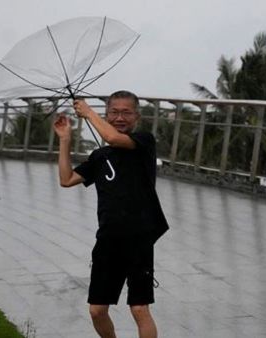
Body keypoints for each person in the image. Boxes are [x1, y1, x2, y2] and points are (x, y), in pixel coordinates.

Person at [53, 90, 168, 338]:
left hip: (139, 238)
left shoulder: (143, 142)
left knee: (139, 308)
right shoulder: (100, 157)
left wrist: (87, 112)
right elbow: (66, 179)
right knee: (97, 310)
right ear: (107, 114)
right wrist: (65, 140)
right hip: (108, 240)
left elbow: (113, 137)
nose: (119, 117)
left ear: (137, 115)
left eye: (126, 112)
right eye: (114, 112)